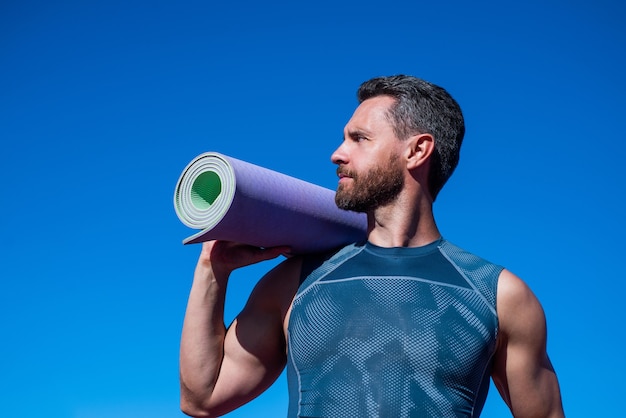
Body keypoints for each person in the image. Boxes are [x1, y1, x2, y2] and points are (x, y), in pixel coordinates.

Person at [179, 75, 564, 417]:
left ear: (417, 151)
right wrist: (212, 270)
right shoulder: (296, 282)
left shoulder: (499, 296)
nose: (337, 154)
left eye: (359, 139)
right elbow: (202, 398)